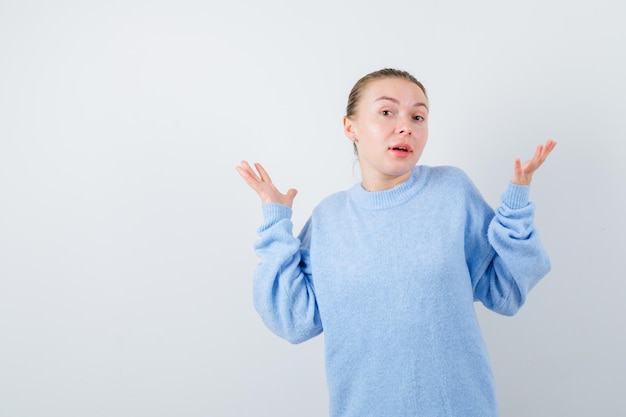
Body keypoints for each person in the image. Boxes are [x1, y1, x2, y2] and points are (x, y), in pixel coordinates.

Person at [235, 68, 556, 417]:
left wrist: (515, 209)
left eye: (418, 116)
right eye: (387, 112)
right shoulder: (329, 219)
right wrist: (275, 226)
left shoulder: (451, 191)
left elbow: (505, 292)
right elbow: (295, 321)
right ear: (350, 127)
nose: (406, 126)